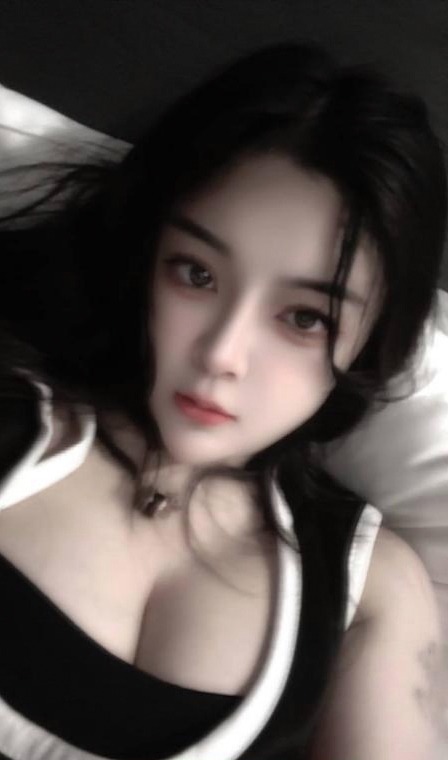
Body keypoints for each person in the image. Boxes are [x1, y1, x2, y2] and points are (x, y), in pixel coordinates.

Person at [0, 41, 446, 760]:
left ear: (371, 343)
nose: (221, 354)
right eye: (196, 274)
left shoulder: (370, 592)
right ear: (146, 254)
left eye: (305, 317)